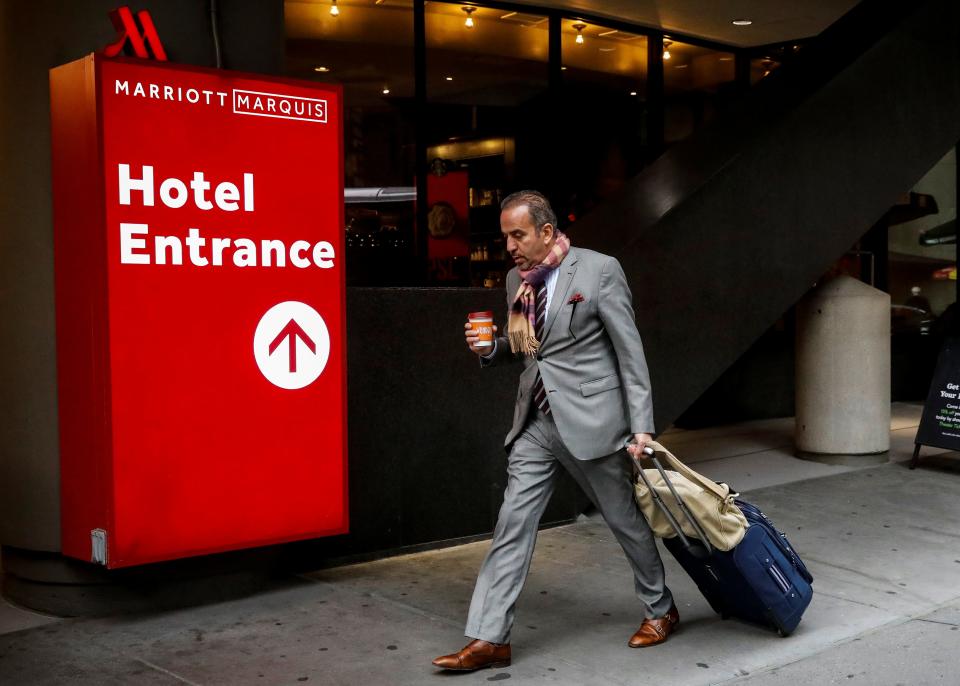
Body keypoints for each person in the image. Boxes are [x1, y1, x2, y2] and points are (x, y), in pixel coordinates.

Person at [432, 190, 676, 673]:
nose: (510, 246)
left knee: (624, 521)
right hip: (536, 423)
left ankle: (660, 607)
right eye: (505, 236)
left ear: (546, 232)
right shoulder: (513, 282)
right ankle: (489, 637)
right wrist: (491, 349)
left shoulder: (599, 270)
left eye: (518, 235)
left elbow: (630, 353)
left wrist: (642, 428)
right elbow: (529, 350)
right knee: (512, 526)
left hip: (593, 423)